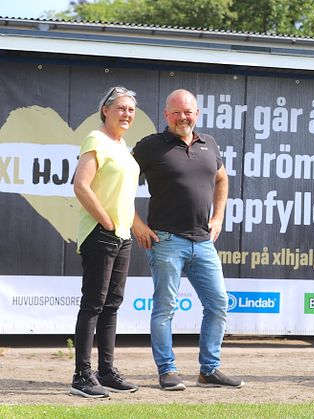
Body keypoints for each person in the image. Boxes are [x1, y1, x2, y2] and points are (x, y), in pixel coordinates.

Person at [132, 89, 243, 391]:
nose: (183, 117)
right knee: (165, 308)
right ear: (166, 115)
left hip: (203, 242)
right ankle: (167, 371)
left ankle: (209, 370)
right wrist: (136, 223)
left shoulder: (209, 144)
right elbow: (119, 184)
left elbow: (221, 179)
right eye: (177, 112)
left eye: (188, 111)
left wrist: (218, 216)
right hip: (166, 240)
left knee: (218, 304)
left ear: (197, 113)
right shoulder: (149, 147)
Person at [70, 86, 140, 398]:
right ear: (106, 111)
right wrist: (107, 222)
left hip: (122, 236)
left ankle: (106, 371)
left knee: (112, 306)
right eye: (121, 108)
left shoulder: (123, 146)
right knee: (94, 304)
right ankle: (82, 377)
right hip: (101, 234)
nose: (127, 114)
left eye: (131, 110)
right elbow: (81, 186)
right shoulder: (95, 140)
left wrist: (124, 227)